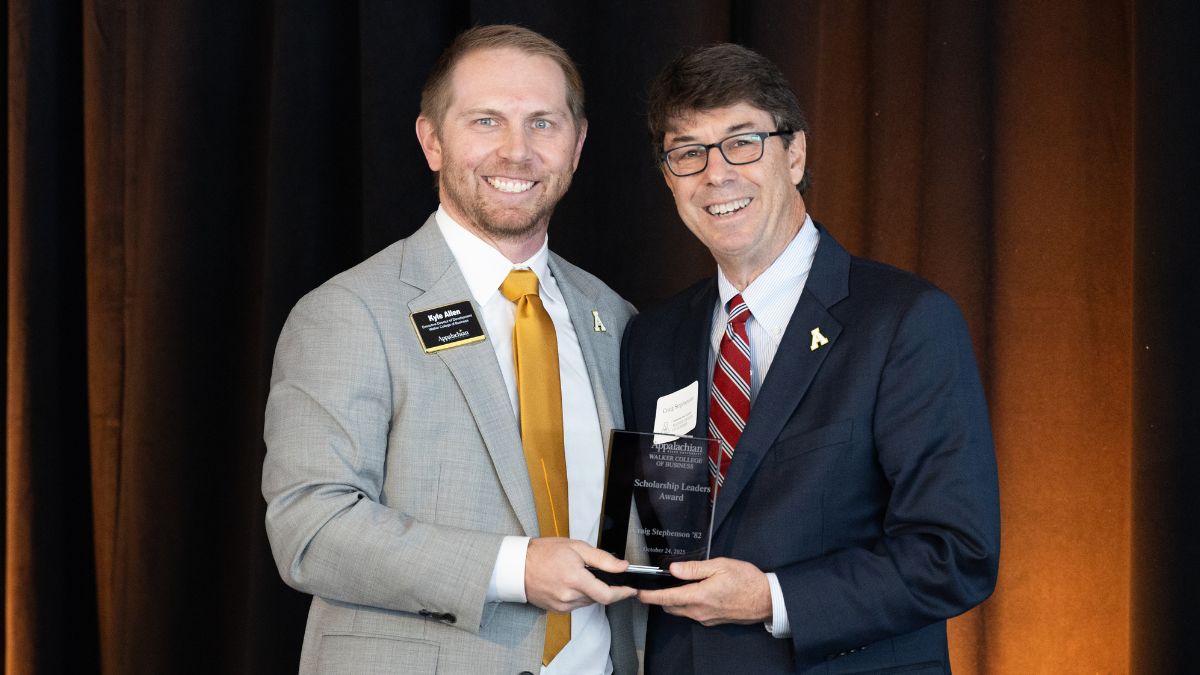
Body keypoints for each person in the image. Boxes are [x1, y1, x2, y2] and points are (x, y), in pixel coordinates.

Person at [262, 25, 639, 675]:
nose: (516, 151)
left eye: (543, 123)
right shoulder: (350, 312)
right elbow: (310, 528)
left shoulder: (613, 315)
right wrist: (516, 568)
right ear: (432, 140)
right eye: (486, 120)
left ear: (577, 146)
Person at [621, 43, 1000, 673]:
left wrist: (771, 598)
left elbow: (954, 554)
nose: (717, 174)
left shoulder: (905, 321)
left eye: (743, 142)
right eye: (688, 153)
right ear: (669, 177)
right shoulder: (651, 339)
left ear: (795, 153)